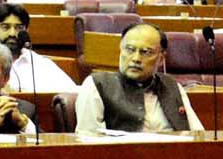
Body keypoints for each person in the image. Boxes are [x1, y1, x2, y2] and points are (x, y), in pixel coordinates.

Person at [76, 22, 204, 135]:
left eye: (146, 52)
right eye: (130, 50)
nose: (136, 58)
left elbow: (197, 134)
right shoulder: (98, 85)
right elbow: (88, 141)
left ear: (161, 58)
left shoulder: (172, 86)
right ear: (120, 50)